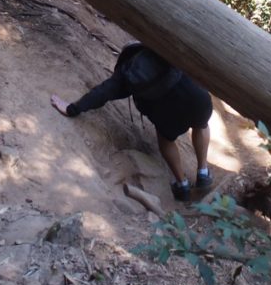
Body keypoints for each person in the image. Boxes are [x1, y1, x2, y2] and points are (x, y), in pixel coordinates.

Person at [50, 43, 213, 201]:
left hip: (167, 116)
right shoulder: (161, 48)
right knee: (201, 125)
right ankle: (203, 173)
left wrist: (72, 108)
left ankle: (182, 184)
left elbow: (102, 93)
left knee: (166, 139)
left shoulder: (126, 75)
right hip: (196, 99)